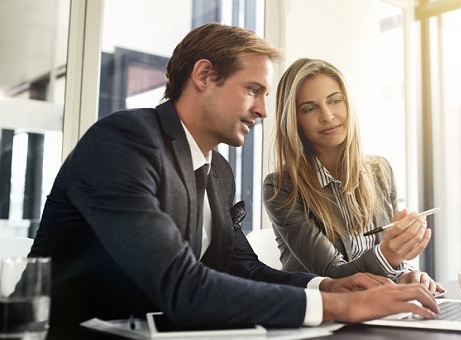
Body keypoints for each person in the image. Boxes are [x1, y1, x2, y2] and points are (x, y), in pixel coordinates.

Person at [29, 24, 439, 339]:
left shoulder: (218, 172)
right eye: (253, 90)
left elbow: (243, 268)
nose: (263, 110)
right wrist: (340, 308)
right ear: (204, 76)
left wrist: (330, 286)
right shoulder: (126, 140)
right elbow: (181, 286)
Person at [262, 58, 444, 295]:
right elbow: (334, 276)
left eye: (335, 101)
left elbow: (390, 260)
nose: (327, 116)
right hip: (327, 313)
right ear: (294, 120)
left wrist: (406, 272)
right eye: (309, 108)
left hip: (380, 305)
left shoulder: (381, 170)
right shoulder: (281, 187)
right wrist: (390, 254)